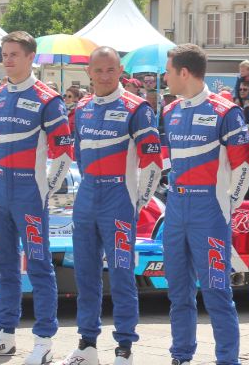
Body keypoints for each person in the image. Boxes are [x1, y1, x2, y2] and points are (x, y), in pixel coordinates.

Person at [0, 31, 73, 365]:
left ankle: (44, 340)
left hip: (30, 192)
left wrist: (45, 187)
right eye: (4, 54)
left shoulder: (48, 99)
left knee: (40, 266)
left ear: (31, 57)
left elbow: (63, 154)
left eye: (15, 54)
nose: (8, 60)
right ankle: (5, 336)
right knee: (5, 266)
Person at [56, 47, 163, 365]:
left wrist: (136, 204)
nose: (104, 76)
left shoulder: (138, 108)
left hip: (119, 200)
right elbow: (77, 155)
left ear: (120, 72)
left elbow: (153, 165)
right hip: (86, 198)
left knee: (121, 275)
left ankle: (124, 349)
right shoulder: (83, 107)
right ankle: (87, 346)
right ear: (88, 72)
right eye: (98, 70)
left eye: (111, 70)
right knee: (85, 276)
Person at [161, 43, 249, 365]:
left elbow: (244, 167)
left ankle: (227, 360)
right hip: (175, 211)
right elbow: (166, 160)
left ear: (184, 73)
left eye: (169, 71)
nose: (165, 77)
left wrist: (227, 206)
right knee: (178, 294)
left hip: (210, 213)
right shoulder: (169, 110)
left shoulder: (226, 111)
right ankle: (180, 356)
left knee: (217, 293)